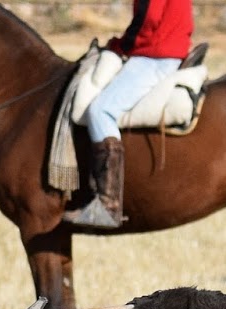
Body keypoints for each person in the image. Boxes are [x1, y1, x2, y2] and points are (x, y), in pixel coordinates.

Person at [64, 0, 193, 229]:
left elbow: (149, 19)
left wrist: (120, 45)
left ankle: (108, 205)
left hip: (156, 55)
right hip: (167, 48)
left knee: (100, 111)